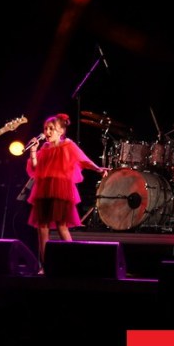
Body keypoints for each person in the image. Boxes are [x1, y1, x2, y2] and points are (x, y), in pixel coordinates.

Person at [25, 113, 109, 268]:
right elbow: (36, 169)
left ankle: (72, 262)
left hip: (60, 189)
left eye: (51, 128)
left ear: (61, 131)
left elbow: (83, 160)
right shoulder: (44, 147)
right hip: (43, 189)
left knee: (61, 226)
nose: (47, 132)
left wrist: (98, 169)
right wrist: (33, 151)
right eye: (45, 128)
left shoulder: (68, 145)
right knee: (42, 228)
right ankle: (45, 265)